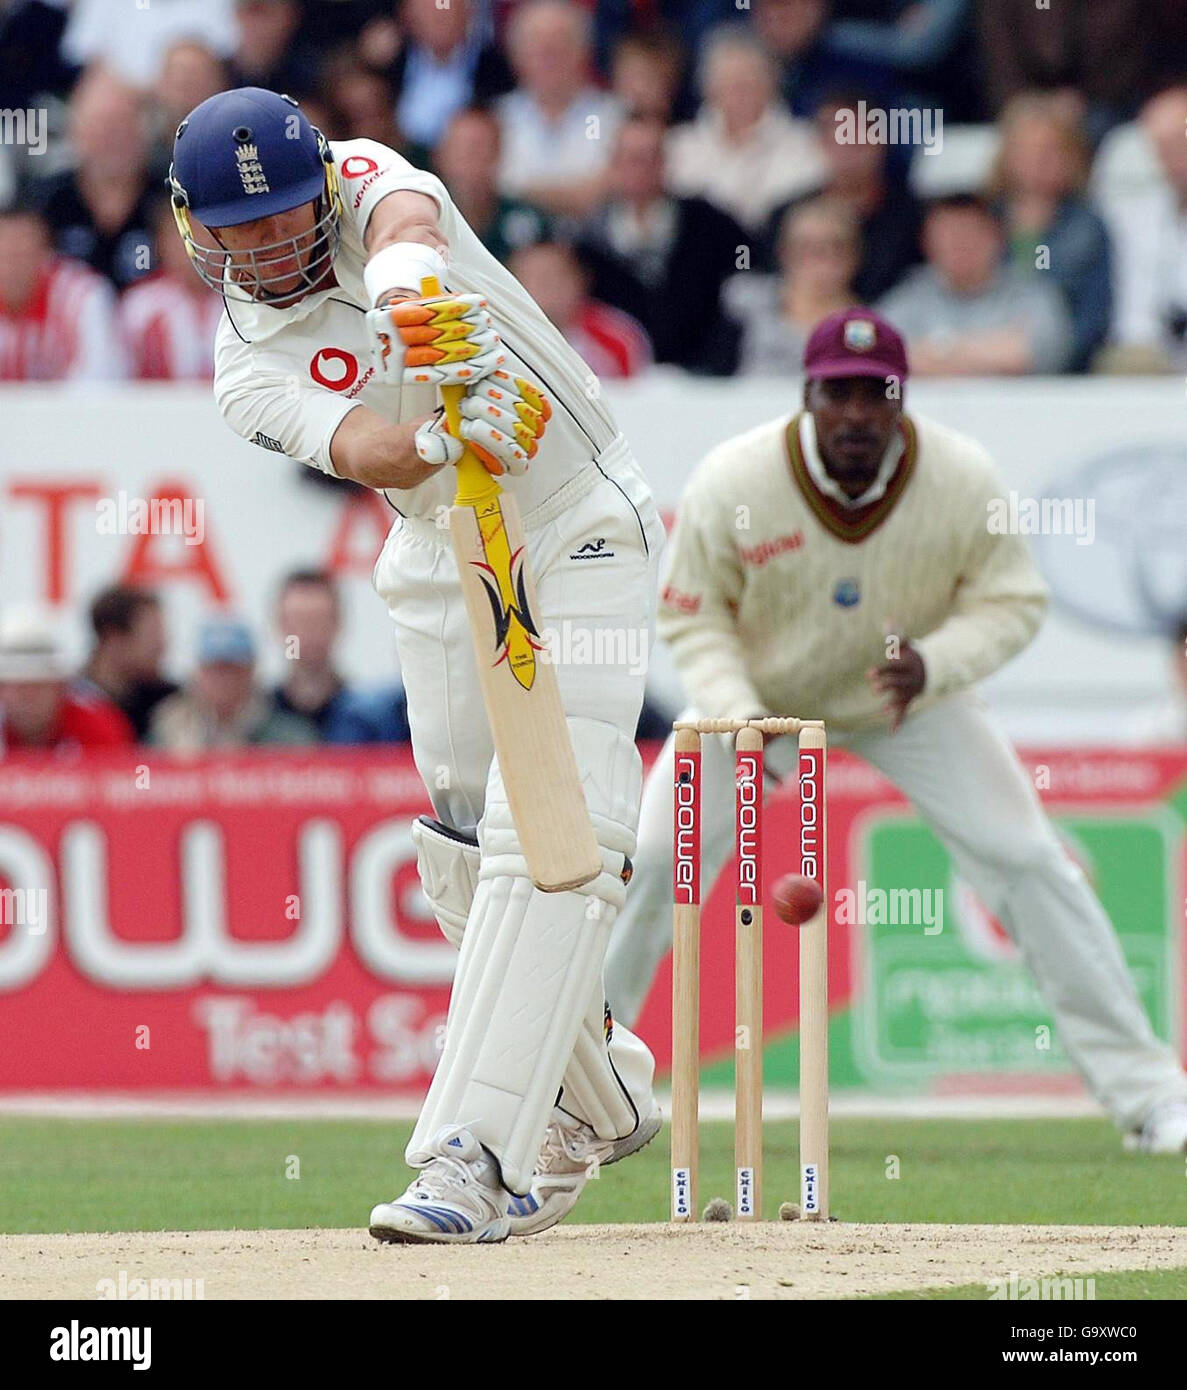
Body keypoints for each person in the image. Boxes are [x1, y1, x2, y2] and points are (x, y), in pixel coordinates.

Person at [167, 86, 663, 1241]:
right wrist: (445, 434)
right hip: (442, 551)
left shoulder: (367, 177)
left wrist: (414, 301)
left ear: (318, 189)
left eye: (285, 218)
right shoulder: (243, 369)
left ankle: (473, 1156)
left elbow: (406, 230)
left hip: (574, 522)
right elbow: (366, 446)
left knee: (557, 838)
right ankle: (611, 1091)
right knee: (455, 844)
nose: (268, 245)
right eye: (237, 230)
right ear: (193, 225)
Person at [603, 307, 1187, 1157]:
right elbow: (691, 615)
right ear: (806, 396)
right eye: (837, 394)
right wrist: (736, 709)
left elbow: (1012, 600)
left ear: (901, 400)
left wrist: (937, 663)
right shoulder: (736, 480)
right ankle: (584, 1093)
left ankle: (1149, 1098)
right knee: (656, 860)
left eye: (875, 395)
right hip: (756, 706)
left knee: (1029, 862)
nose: (855, 414)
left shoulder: (957, 478)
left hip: (905, 700)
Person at [578, 114, 746, 373]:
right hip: (622, 382)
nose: (641, 168)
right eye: (631, 159)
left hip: (707, 378)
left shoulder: (711, 224)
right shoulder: (587, 242)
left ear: (666, 163)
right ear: (613, 163)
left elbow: (746, 271)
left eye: (651, 157)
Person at [878, 193, 1073, 375]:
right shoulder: (910, 295)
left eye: (969, 233)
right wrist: (991, 351)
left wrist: (933, 352)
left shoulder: (1033, 294)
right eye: (947, 235)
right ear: (926, 243)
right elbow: (879, 353)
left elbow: (1035, 353)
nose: (960, 244)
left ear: (998, 238)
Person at [990, 93, 1112, 373]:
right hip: (982, 360)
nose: (1038, 163)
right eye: (1027, 151)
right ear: (1006, 155)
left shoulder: (1088, 228)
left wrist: (1054, 361)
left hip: (1065, 369)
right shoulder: (982, 220)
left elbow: (1093, 317)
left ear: (1073, 157)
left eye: (1050, 151)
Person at [763, 90, 924, 303]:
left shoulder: (916, 219)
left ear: (880, 140)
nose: (847, 146)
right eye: (836, 134)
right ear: (818, 142)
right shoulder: (784, 216)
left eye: (857, 134)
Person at [665, 26, 826, 234]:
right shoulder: (678, 146)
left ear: (773, 81)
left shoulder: (807, 143)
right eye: (728, 81)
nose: (739, 91)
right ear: (707, 88)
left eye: (749, 79)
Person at [494, 0, 623, 217]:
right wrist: (575, 194)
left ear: (584, 51)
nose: (548, 57)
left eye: (560, 45)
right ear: (516, 56)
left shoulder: (614, 117)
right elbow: (490, 189)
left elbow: (610, 189)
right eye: (537, 46)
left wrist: (523, 191)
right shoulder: (496, 119)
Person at [723, 196, 859, 374]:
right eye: (805, 247)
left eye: (833, 247)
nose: (818, 259)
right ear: (783, 251)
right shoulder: (742, 302)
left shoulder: (868, 327)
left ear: (854, 256)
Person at [271, 568, 403, 742]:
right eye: (298, 622)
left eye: (318, 621)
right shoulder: (256, 720)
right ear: (280, 626)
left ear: (338, 624)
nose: (308, 633)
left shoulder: (373, 718)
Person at [149, 615, 317, 751]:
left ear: (251, 671)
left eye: (233, 669)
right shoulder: (168, 729)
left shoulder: (288, 737)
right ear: (198, 672)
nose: (223, 680)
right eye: (214, 669)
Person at [0, 207, 124, 381]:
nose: (14, 267)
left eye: (22, 253)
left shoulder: (82, 296)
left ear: (45, 251)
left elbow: (102, 378)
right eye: (5, 254)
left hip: (71, 408)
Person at [508, 240, 652, 379]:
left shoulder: (618, 338)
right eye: (532, 279)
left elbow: (638, 396)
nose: (545, 289)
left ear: (579, 280)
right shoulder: (500, 338)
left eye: (553, 277)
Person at [0, 608, 133, 753]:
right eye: (20, 687)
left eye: (39, 686)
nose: (29, 697)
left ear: (61, 687)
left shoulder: (99, 727)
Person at [118, 200, 223, 380]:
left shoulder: (246, 298)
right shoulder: (139, 305)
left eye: (206, 232)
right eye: (184, 234)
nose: (197, 243)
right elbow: (117, 380)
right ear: (160, 242)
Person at [432, 107, 550, 264]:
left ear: (499, 153)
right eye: (461, 149)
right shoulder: (421, 218)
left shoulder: (526, 221)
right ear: (440, 155)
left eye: (479, 148)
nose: (470, 159)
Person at [79, 586, 178, 740]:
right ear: (113, 638)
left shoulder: (168, 703)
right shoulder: (69, 706)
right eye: (152, 635)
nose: (162, 646)